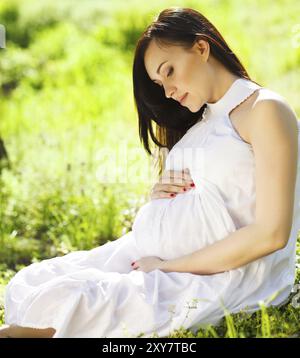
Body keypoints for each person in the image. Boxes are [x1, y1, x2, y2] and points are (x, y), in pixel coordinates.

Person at [1, 6, 299, 338]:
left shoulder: (265, 110)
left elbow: (271, 234)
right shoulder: (204, 119)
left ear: (201, 48)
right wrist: (162, 197)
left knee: (71, 300)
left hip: (223, 273)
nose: (167, 91)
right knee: (35, 281)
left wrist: (166, 266)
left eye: (169, 71)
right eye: (159, 83)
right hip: (155, 253)